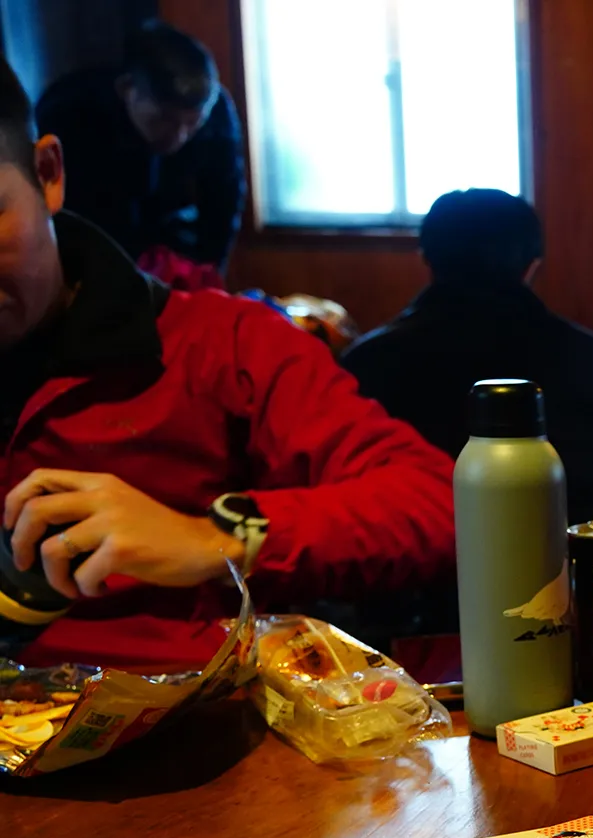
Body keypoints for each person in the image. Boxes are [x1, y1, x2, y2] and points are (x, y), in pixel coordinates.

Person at [0, 56, 454, 672]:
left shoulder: (220, 342)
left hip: (188, 736)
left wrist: (215, 539)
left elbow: (434, 499)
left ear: (48, 173)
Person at [343, 189, 593, 526]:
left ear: (426, 261)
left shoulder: (368, 361)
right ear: (531, 266)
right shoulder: (590, 355)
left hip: (421, 568)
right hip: (572, 565)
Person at [34, 20, 245, 273]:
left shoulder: (217, 115)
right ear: (127, 89)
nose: (178, 136)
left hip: (174, 235)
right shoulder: (70, 114)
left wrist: (207, 278)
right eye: (163, 120)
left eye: (192, 124)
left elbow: (222, 206)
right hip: (91, 234)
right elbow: (69, 221)